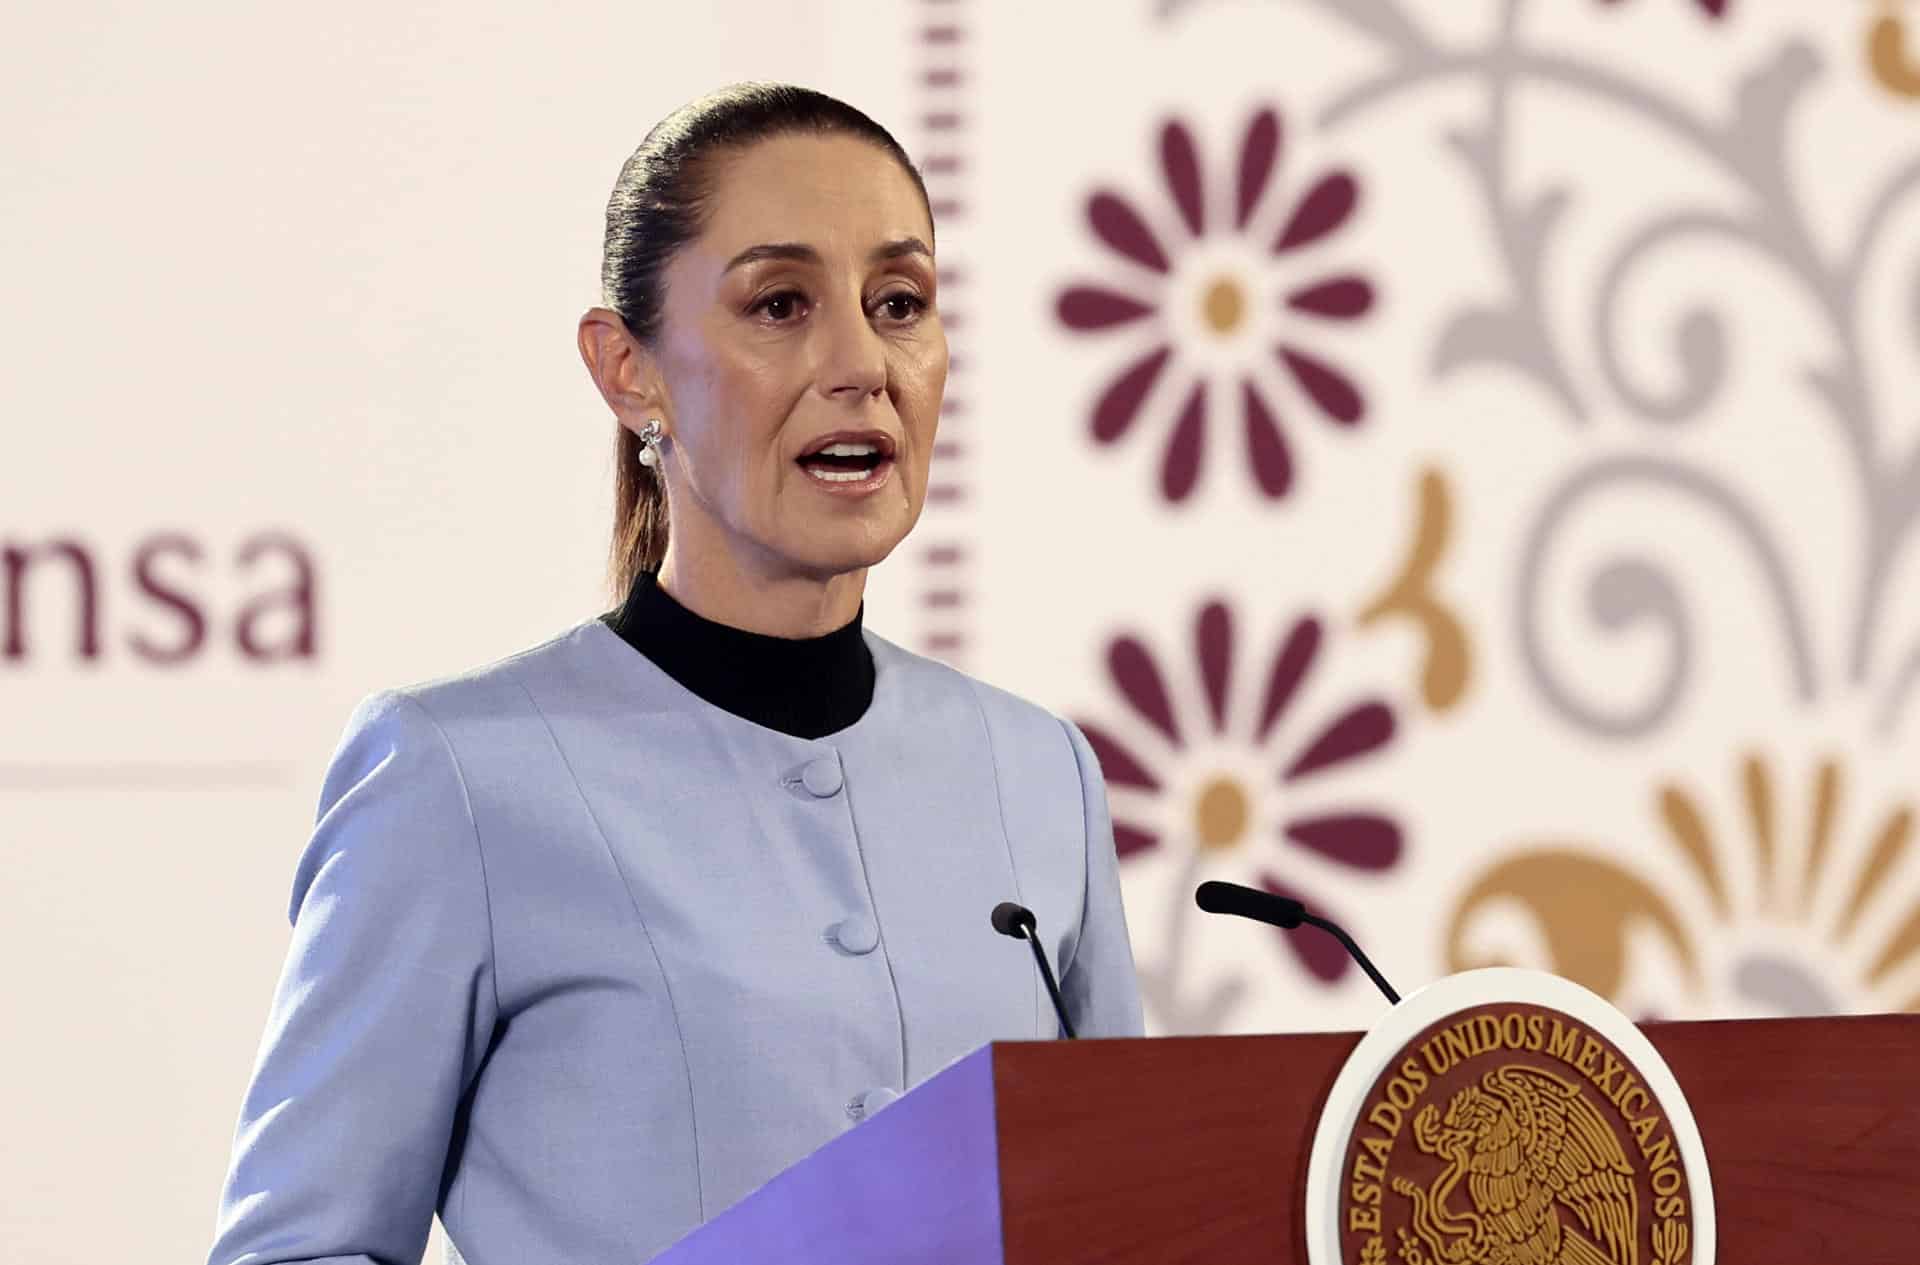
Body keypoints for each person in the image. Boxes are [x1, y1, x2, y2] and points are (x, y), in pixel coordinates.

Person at [203, 82, 1143, 1265]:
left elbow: (1137, 1209)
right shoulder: (456, 777)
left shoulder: (1037, 769)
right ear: (627, 369)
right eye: (781, 304)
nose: (861, 362)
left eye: (898, 301)